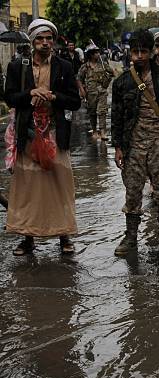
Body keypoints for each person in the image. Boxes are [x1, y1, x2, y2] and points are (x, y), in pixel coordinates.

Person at [4, 19, 81, 256]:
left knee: (59, 185)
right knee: (29, 188)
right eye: (40, 38)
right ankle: (28, 238)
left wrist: (54, 97)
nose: (45, 43)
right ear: (32, 41)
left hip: (56, 134)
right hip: (28, 136)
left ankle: (64, 236)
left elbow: (75, 101)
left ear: (54, 41)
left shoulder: (64, 67)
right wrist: (31, 93)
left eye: (49, 38)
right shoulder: (18, 66)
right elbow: (10, 98)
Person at [111, 29, 159, 256]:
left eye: (144, 51)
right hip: (133, 145)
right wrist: (118, 147)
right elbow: (117, 116)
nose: (140, 56)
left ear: (151, 52)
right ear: (130, 53)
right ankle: (130, 238)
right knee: (133, 193)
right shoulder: (122, 82)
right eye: (135, 52)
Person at [77, 42, 113, 141]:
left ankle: (103, 132)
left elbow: (112, 73)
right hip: (90, 93)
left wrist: (107, 80)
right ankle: (94, 131)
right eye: (96, 53)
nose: (98, 54)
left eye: (98, 52)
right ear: (91, 54)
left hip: (102, 92)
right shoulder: (85, 66)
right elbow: (79, 78)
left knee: (102, 112)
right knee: (92, 112)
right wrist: (82, 90)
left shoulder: (103, 64)